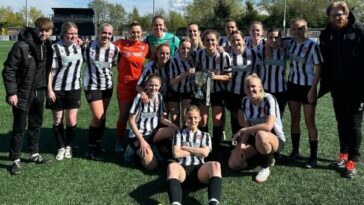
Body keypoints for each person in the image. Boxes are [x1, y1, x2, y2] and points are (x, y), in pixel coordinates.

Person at [2, 17, 54, 175]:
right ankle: (15, 160)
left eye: (47, 31)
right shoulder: (22, 46)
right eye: (40, 30)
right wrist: (12, 92)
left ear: (51, 32)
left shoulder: (48, 47)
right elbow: (8, 70)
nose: (43, 33)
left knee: (36, 125)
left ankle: (33, 154)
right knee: (19, 127)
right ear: (35, 29)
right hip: (23, 93)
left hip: (40, 92)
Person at [319, 1, 364, 178]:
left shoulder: (359, 30)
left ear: (346, 14)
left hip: (358, 88)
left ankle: (353, 159)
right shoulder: (327, 34)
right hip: (337, 88)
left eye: (340, 14)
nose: (337, 18)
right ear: (329, 17)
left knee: (354, 124)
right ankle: (343, 153)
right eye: (333, 15)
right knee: (341, 122)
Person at [228, 74, 285, 183]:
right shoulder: (245, 101)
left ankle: (265, 166)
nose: (251, 89)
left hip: (275, 139)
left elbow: (268, 126)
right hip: (255, 140)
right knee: (234, 164)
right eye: (248, 87)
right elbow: (247, 126)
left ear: (260, 87)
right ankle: (260, 157)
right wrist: (242, 145)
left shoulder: (268, 99)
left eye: (253, 86)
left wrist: (243, 130)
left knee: (261, 134)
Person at [167, 105, 222, 205]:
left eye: (195, 117)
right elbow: (176, 154)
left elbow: (205, 153)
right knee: (172, 166)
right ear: (185, 118)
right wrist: (197, 150)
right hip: (183, 170)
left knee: (216, 165)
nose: (193, 120)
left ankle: (213, 204)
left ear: (200, 118)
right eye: (190, 117)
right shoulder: (179, 133)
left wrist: (185, 148)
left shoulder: (205, 135)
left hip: (199, 171)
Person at [287, 18, 322, 168]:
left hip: (308, 87)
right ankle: (295, 151)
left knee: (310, 122)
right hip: (293, 85)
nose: (297, 31)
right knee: (295, 119)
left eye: (300, 28)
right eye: (294, 29)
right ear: (290, 31)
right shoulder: (290, 44)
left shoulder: (313, 46)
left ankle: (313, 157)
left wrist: (313, 89)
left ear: (306, 29)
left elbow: (319, 68)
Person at [193, 29, 232, 158]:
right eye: (207, 40)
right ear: (203, 42)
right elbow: (197, 72)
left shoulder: (224, 56)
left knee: (216, 119)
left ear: (217, 41)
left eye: (212, 40)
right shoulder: (199, 54)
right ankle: (204, 145)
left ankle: (216, 147)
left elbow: (228, 76)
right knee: (203, 121)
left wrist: (215, 77)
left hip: (218, 91)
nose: (210, 42)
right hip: (203, 90)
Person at [47, 22, 83, 160]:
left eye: (75, 33)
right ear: (63, 33)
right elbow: (50, 71)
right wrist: (50, 90)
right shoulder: (55, 48)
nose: (73, 36)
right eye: (70, 33)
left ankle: (68, 145)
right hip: (58, 89)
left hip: (74, 88)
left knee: (72, 120)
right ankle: (61, 147)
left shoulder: (79, 46)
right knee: (58, 120)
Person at [83, 23, 120, 159]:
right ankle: (90, 148)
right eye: (104, 32)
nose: (106, 35)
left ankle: (97, 144)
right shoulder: (87, 47)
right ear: (98, 32)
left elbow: (114, 65)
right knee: (98, 116)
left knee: (102, 117)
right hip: (92, 86)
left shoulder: (115, 50)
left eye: (109, 33)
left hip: (107, 86)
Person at [128, 74, 179, 170]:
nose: (153, 88)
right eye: (151, 85)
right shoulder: (139, 97)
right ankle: (133, 151)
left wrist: (174, 125)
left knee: (174, 131)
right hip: (138, 136)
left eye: (156, 86)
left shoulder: (159, 96)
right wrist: (142, 141)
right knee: (152, 166)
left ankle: (155, 148)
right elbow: (131, 121)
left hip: (152, 133)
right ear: (147, 84)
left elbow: (161, 118)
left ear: (160, 86)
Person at [113, 22, 149, 153]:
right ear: (129, 32)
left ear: (142, 33)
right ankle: (118, 141)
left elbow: (159, 55)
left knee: (138, 115)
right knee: (124, 115)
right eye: (133, 32)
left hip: (140, 86)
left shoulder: (145, 47)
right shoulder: (120, 43)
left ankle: (136, 140)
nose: (136, 34)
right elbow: (104, 47)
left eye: (138, 32)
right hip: (124, 86)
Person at [226, 30, 259, 135]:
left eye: (238, 40)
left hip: (247, 93)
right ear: (229, 42)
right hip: (231, 92)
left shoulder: (253, 53)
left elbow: (258, 71)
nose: (236, 42)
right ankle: (236, 141)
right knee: (235, 118)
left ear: (243, 40)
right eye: (233, 40)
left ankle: (244, 142)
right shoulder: (227, 55)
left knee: (243, 119)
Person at [257, 28, 289, 117]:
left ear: (280, 38)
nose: (273, 40)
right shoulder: (261, 49)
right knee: (265, 117)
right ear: (266, 38)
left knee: (278, 118)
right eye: (270, 37)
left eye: (276, 37)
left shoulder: (285, 50)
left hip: (281, 90)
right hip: (265, 90)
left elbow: (294, 39)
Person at [169, 38, 195, 126]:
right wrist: (186, 73)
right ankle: (175, 135)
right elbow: (172, 82)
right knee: (174, 117)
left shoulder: (194, 59)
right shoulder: (173, 61)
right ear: (179, 48)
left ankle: (184, 136)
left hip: (188, 91)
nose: (186, 50)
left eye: (188, 48)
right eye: (183, 48)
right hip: (175, 90)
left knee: (185, 116)